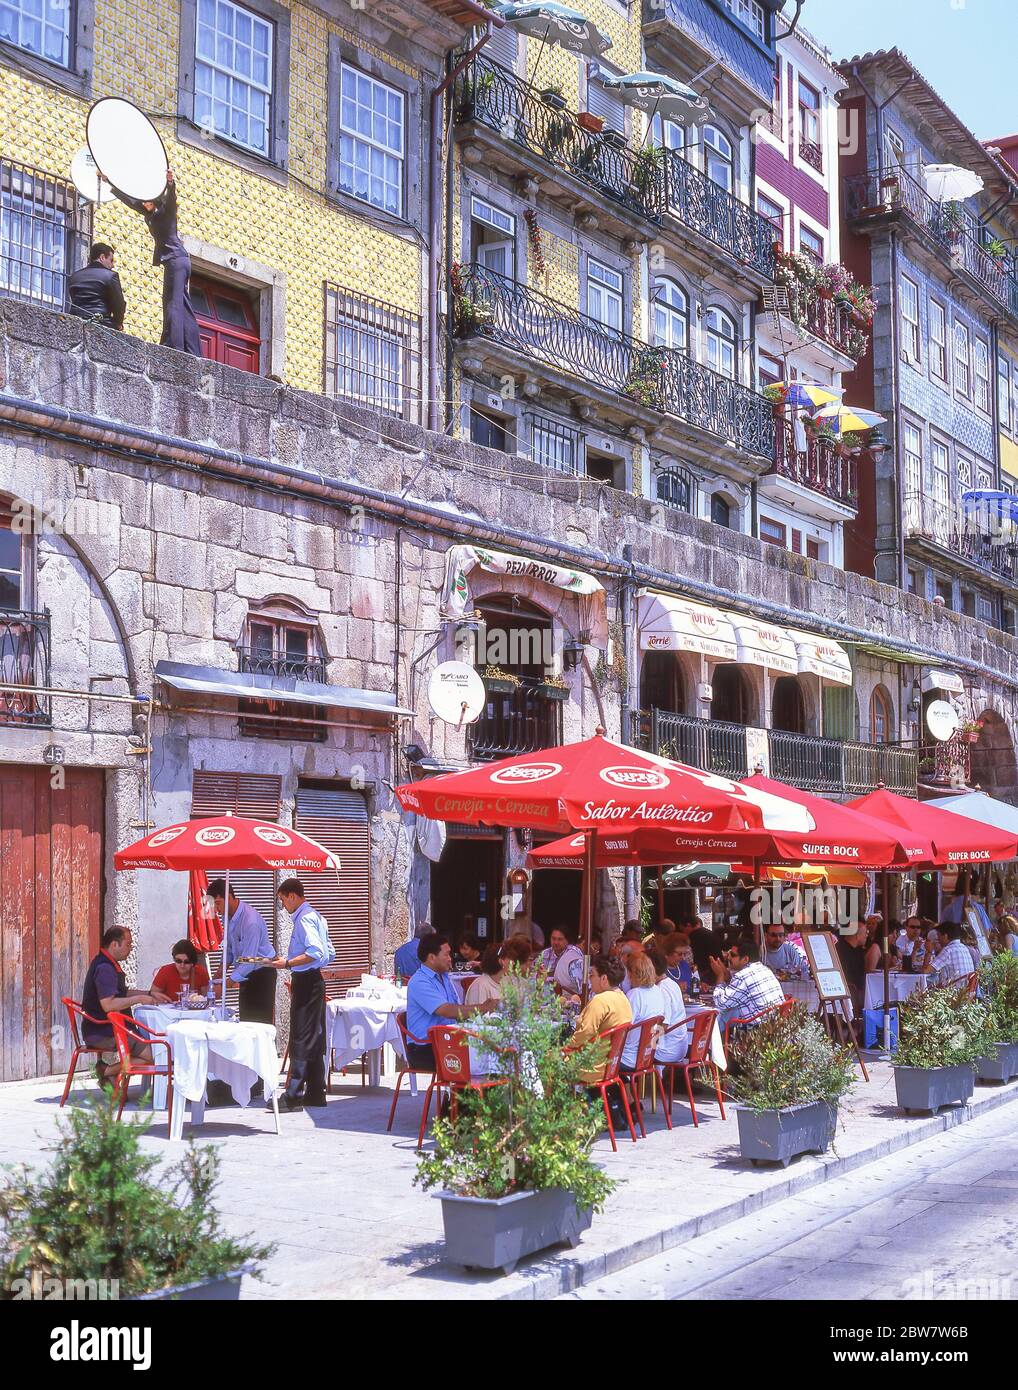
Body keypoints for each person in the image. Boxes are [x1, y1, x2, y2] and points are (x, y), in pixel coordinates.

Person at [108, 169, 201, 355]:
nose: (144, 202)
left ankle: (173, 345)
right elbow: (130, 201)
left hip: (176, 259)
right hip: (176, 260)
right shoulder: (148, 212)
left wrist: (170, 183)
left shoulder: (166, 211)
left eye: (148, 200)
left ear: (155, 200)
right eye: (144, 200)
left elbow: (172, 200)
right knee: (182, 303)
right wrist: (110, 184)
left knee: (172, 302)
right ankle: (193, 349)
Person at [268, 880, 336, 1110]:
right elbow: (330, 952)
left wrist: (287, 962)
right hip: (314, 979)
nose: (283, 905)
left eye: (283, 899)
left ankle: (294, 1094)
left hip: (307, 981)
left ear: (293, 896)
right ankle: (316, 1092)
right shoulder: (316, 916)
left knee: (300, 1035)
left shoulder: (305, 918)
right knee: (314, 1035)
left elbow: (316, 951)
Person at [81, 925, 163, 1083]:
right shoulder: (104, 967)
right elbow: (108, 1004)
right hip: (102, 1031)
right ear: (114, 944)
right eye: (128, 944)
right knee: (153, 1056)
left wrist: (148, 994)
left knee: (150, 1051)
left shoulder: (107, 963)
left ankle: (112, 1076)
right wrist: (139, 999)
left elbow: (121, 993)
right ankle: (106, 1071)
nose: (131, 948)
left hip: (108, 1027)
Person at [404, 934, 497, 1069]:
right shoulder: (419, 981)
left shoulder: (445, 977)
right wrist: (482, 1008)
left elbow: (456, 1007)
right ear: (431, 957)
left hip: (446, 1040)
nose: (450, 959)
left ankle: (477, 1089)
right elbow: (447, 1011)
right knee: (479, 1058)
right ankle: (467, 1090)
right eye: (446, 955)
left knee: (489, 1050)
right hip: (424, 1047)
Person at [207, 879, 275, 1024]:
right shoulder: (227, 917)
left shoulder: (250, 921)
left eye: (217, 903)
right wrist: (220, 969)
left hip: (262, 969)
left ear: (230, 897)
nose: (215, 909)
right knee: (246, 1020)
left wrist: (226, 985)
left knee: (259, 1024)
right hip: (246, 970)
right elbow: (230, 948)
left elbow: (249, 961)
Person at [568, 954, 632, 1086]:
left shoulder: (600, 1000)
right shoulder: (624, 998)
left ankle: (550, 1105)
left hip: (591, 1066)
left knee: (545, 1061)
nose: (590, 980)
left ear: (604, 978)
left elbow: (585, 1033)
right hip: (610, 1065)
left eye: (592, 975)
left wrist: (565, 1048)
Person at [708, 938, 784, 1032]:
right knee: (731, 1011)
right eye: (729, 953)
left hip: (757, 1030)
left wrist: (720, 976)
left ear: (745, 959)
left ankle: (707, 1040)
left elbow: (721, 1003)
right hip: (774, 1025)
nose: (728, 958)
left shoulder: (743, 976)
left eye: (732, 955)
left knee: (724, 1013)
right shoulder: (764, 969)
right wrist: (726, 975)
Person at [619, 952, 666, 1074]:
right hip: (648, 1055)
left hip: (628, 1059)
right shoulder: (658, 991)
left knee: (593, 1056)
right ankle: (625, 1092)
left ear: (630, 973)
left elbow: (623, 1027)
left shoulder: (635, 995)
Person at [66, 242, 126, 329]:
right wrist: (118, 323)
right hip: (102, 322)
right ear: (102, 257)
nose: (112, 265)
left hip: (76, 322)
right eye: (111, 260)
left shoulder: (74, 277)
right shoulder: (110, 276)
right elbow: (119, 304)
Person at [646, 946, 688, 1067]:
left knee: (630, 1051)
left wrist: (646, 1042)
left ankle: (646, 1084)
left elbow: (664, 1025)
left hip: (667, 1050)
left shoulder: (661, 989)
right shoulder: (672, 984)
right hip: (678, 1046)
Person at [150, 938, 210, 1003]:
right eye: (178, 961)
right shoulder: (165, 971)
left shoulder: (201, 972)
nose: (182, 965)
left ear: (192, 962)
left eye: (186, 962)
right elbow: (152, 994)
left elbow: (205, 997)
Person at [923, 922, 978, 986]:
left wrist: (928, 952)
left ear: (945, 936)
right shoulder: (964, 948)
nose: (938, 939)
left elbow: (925, 972)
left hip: (955, 992)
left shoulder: (948, 950)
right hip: (966, 991)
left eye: (939, 936)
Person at [538, 926, 585, 994]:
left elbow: (581, 987)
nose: (556, 942)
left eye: (560, 939)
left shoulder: (573, 955)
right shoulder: (545, 954)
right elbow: (534, 976)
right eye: (553, 938)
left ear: (567, 940)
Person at [836, 922, 869, 1014]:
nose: (867, 935)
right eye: (865, 932)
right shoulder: (840, 951)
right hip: (850, 991)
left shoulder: (858, 951)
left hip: (856, 989)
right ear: (857, 935)